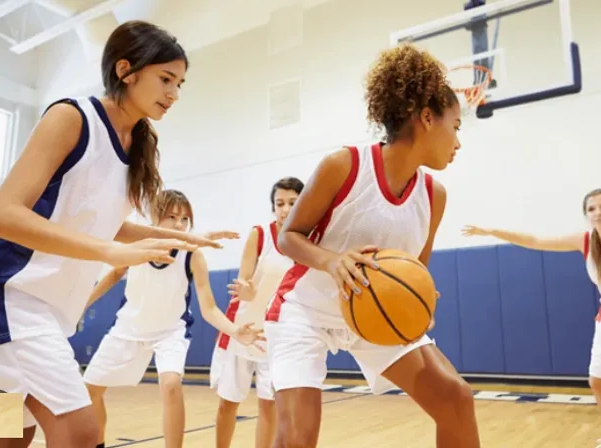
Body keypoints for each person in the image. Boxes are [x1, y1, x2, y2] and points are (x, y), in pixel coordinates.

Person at [0, 20, 236, 448]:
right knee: (81, 432)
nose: (174, 94)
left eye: (179, 83)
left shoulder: (136, 142)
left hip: (44, 312)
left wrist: (175, 238)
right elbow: (2, 214)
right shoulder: (71, 117)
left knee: (8, 437)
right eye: (165, 79)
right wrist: (107, 251)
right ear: (126, 70)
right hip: (9, 300)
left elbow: (98, 220)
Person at [263, 43, 480, 448]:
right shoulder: (344, 165)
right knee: (296, 437)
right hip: (306, 311)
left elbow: (415, 270)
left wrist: (421, 301)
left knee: (456, 399)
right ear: (428, 118)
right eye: (456, 125)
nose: (458, 141)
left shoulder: (434, 196)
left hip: (372, 315)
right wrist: (331, 261)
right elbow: (287, 237)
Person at [462, 188, 601, 448]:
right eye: (591, 209)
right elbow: (535, 240)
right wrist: (491, 231)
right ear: (586, 215)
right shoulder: (586, 241)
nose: (598, 213)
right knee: (599, 383)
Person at [82, 189, 264, 448]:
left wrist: (235, 331)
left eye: (185, 219)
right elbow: (113, 275)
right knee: (91, 391)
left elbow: (209, 308)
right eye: (172, 217)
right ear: (156, 218)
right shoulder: (139, 245)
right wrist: (84, 303)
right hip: (128, 327)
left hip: (170, 332)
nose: (179, 224)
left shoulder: (193, 256)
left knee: (170, 384)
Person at [211, 176, 304, 448]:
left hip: (274, 332)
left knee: (269, 405)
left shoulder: (306, 241)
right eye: (279, 203)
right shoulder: (260, 234)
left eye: (292, 203)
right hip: (243, 329)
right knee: (229, 402)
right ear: (273, 206)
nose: (285, 209)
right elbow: (243, 280)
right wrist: (247, 290)